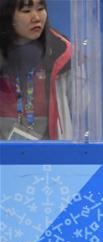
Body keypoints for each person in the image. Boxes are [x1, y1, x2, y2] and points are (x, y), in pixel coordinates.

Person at [0, 0, 72, 140]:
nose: (36, 18)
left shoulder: (63, 55)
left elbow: (80, 108)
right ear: (6, 15)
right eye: (26, 11)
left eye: (40, 9)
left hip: (50, 156)